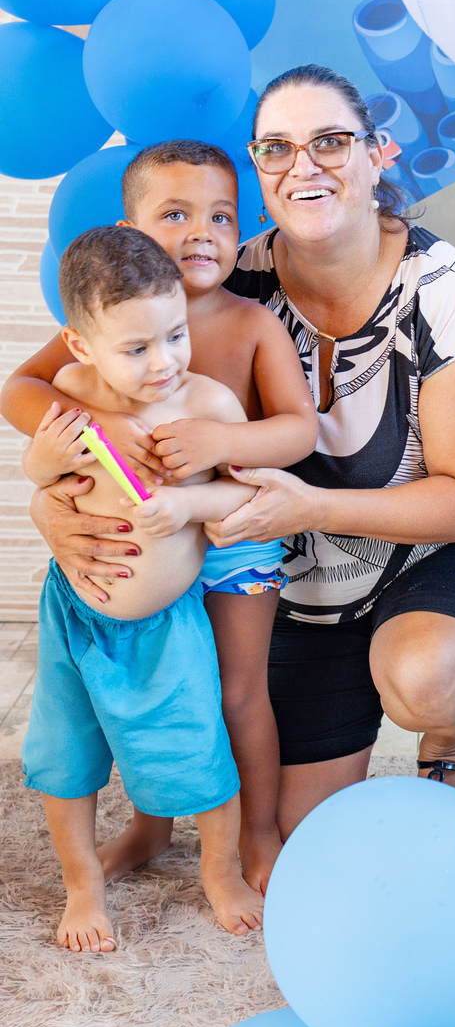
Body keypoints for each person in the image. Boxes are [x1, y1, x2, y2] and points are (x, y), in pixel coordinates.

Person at [20, 65, 455, 838]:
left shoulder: (444, 292)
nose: (304, 166)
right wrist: (64, 498)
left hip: (442, 550)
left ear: (378, 156)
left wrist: (309, 506)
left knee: (429, 678)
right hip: (305, 577)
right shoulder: (217, 274)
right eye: (277, 148)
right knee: (298, 829)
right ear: (260, 172)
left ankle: (448, 738)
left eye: (330, 142)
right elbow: (48, 382)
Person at [2, 143, 318, 891]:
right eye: (175, 214)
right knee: (159, 695)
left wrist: (222, 442)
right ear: (132, 231)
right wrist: (94, 428)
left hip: (229, 535)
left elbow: (298, 430)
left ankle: (258, 832)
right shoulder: (113, 315)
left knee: (234, 692)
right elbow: (20, 389)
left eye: (221, 217)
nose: (201, 232)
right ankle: (152, 826)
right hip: (146, 543)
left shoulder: (249, 323)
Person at [20, 227, 268, 952]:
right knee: (63, 753)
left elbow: (249, 498)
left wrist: (189, 505)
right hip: (73, 614)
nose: (164, 363)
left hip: (166, 625)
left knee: (196, 750)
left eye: (176, 336)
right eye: (136, 349)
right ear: (80, 346)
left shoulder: (210, 406)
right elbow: (43, 474)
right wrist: (43, 468)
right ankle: (82, 887)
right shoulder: (70, 396)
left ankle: (220, 874)